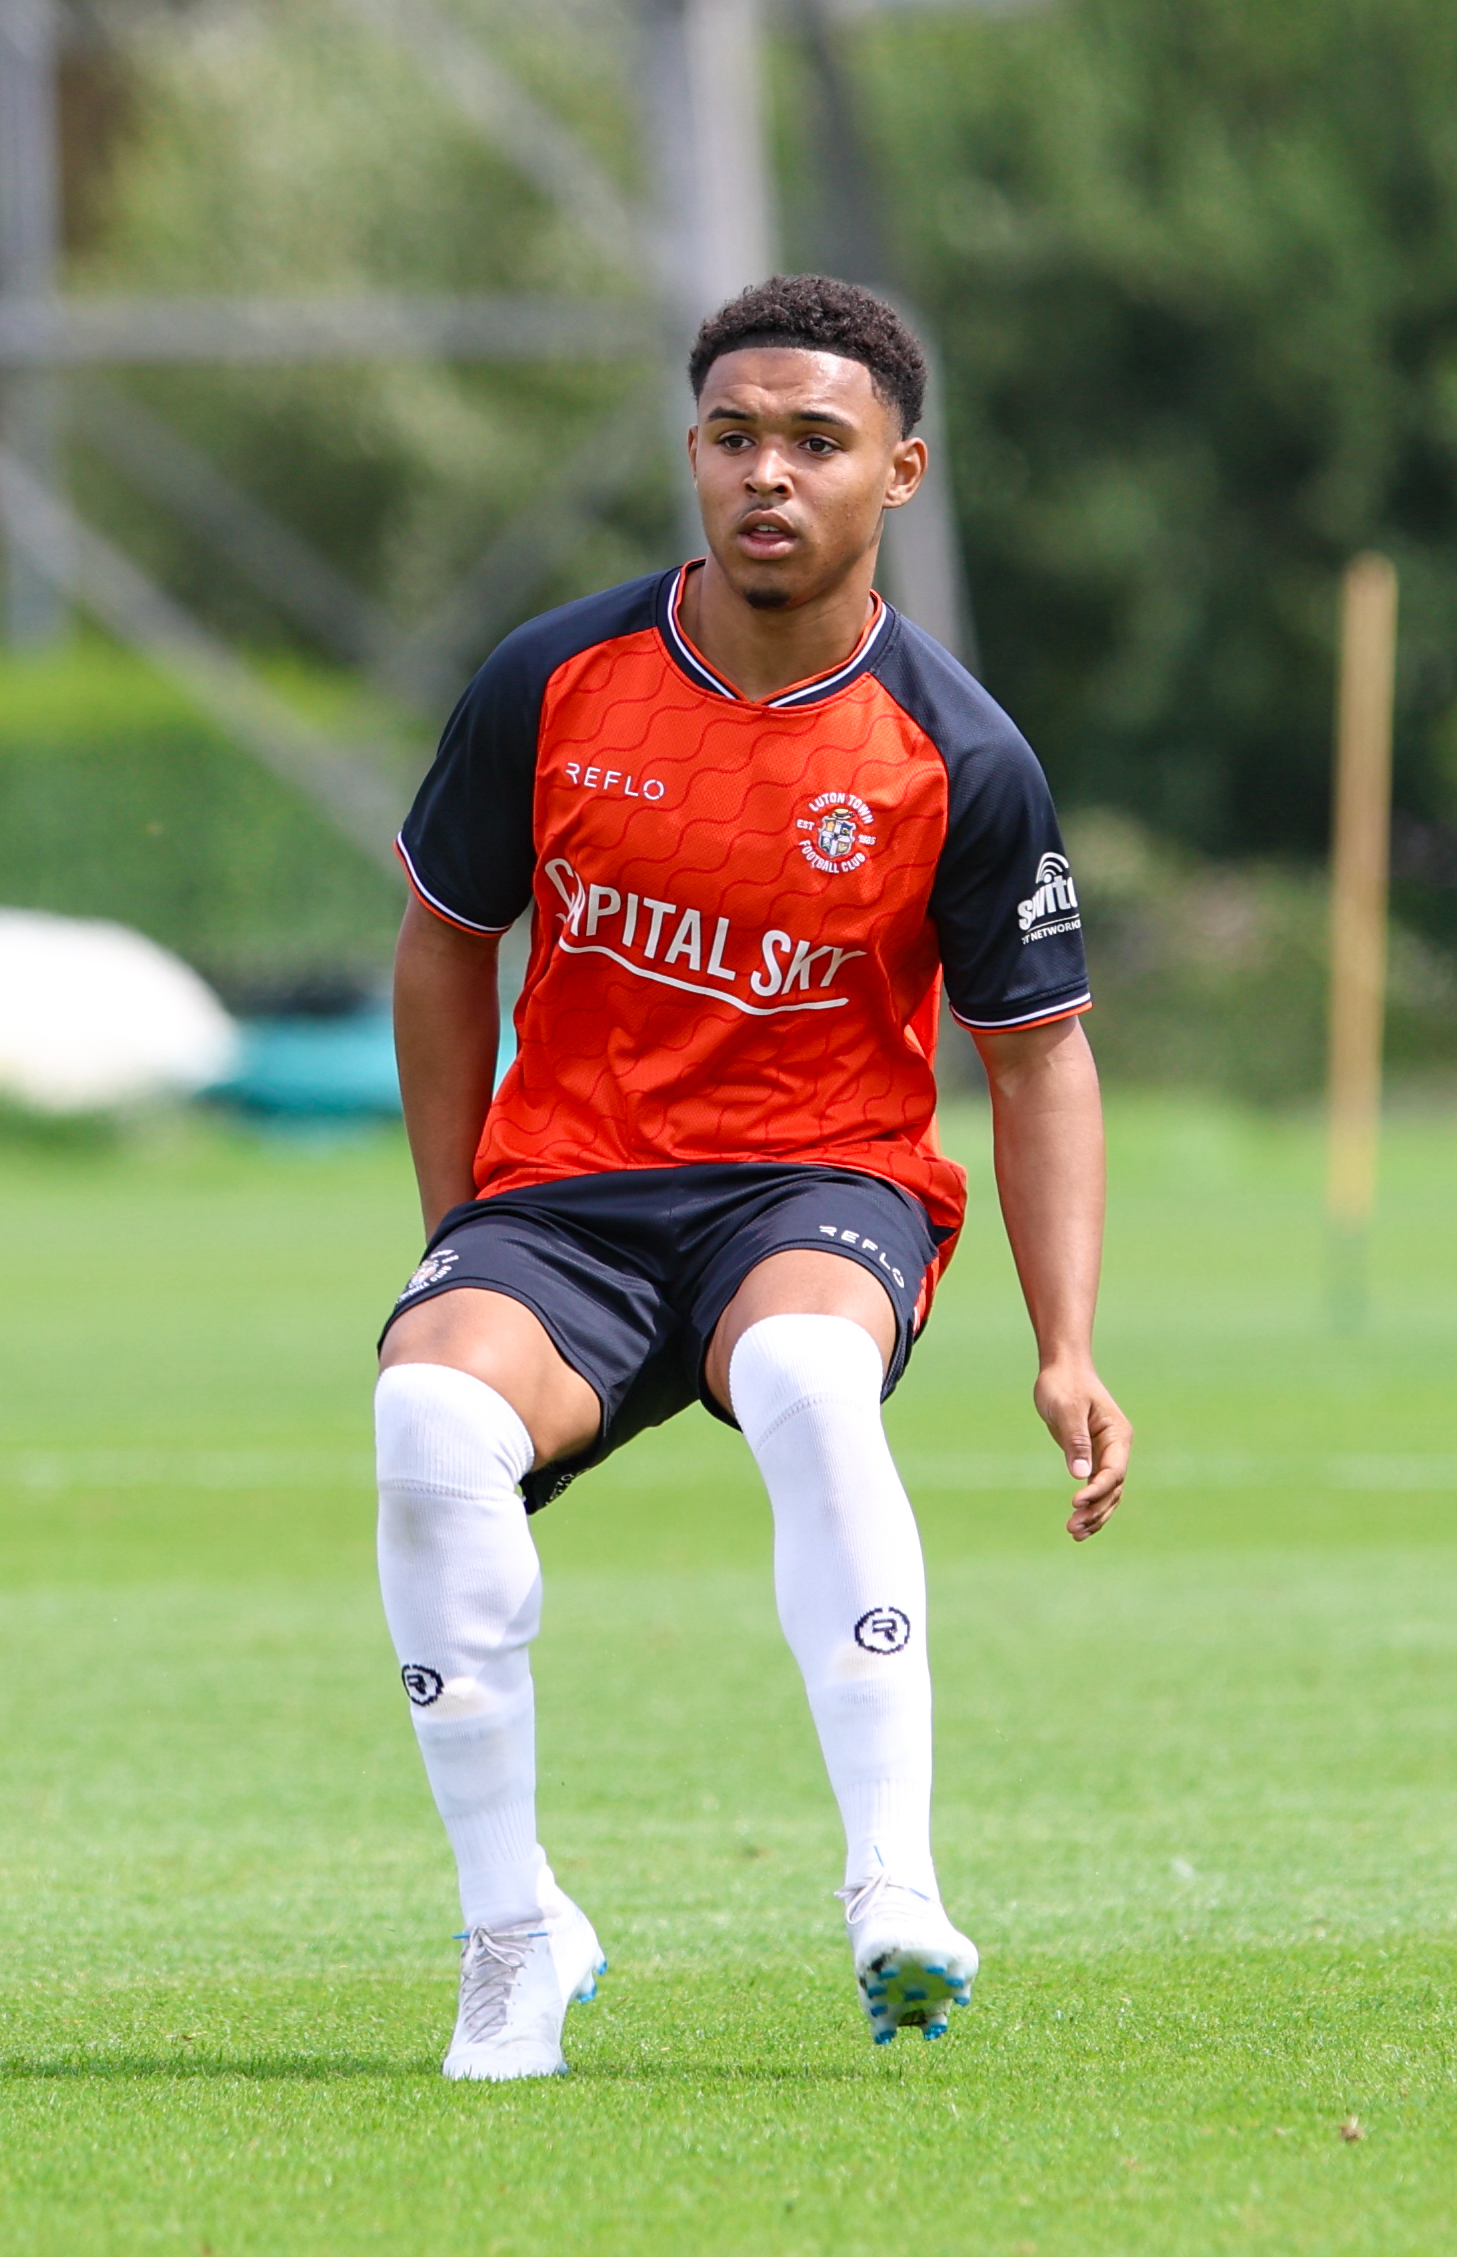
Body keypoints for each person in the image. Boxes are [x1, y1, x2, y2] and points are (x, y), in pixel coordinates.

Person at [375, 275, 1132, 2080]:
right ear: (691, 457)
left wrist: (1065, 1342)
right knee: (421, 1418)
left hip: (817, 1184)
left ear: (901, 472)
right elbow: (438, 942)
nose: (764, 475)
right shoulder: (549, 679)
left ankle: (894, 1890)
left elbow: (1036, 1057)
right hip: (563, 1195)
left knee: (801, 1368)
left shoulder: (959, 753)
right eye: (730, 437)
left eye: (814, 441)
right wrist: (450, 1234)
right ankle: (512, 1933)